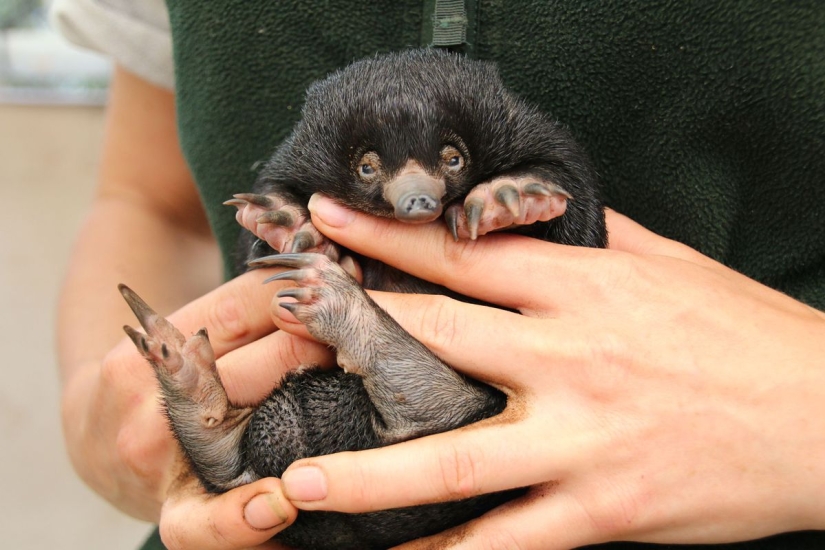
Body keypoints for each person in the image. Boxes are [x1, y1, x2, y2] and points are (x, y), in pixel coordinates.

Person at [51, 0, 825, 549]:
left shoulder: (514, 140)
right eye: (373, 171)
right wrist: (98, 409)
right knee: (260, 446)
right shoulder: (316, 147)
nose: (416, 200)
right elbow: (149, 202)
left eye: (447, 163)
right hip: (281, 483)